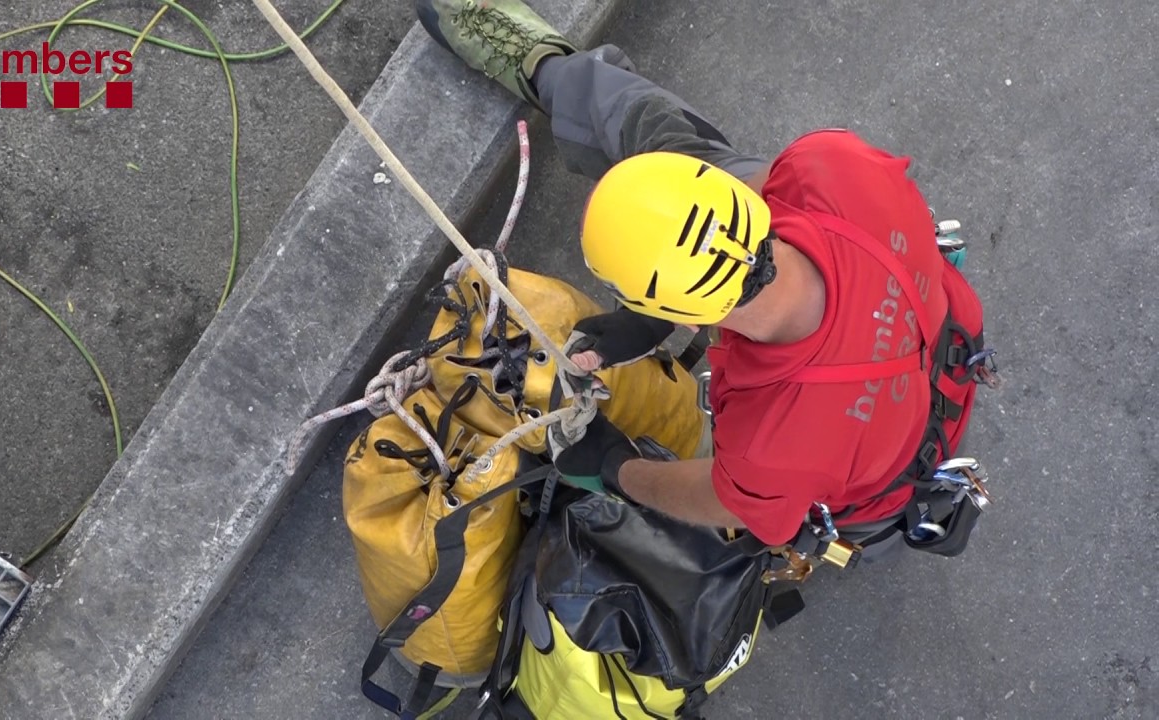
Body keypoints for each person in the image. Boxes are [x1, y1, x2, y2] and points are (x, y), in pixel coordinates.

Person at [415, 0, 988, 549]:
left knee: (757, 486)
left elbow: (728, 501)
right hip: (925, 331)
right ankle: (551, 72)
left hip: (882, 464)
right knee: (666, 136)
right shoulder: (835, 168)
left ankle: (557, 74)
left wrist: (615, 468)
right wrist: (652, 315)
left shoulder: (769, 445)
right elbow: (755, 194)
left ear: (683, 313)